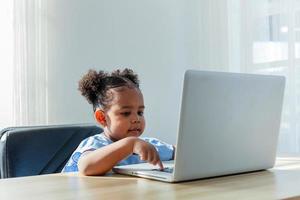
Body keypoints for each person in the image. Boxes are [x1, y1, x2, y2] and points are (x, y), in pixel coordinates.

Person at [62, 68, 175, 175]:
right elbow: (86, 167)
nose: (136, 119)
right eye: (126, 113)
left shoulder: (146, 146)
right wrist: (130, 144)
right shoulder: (95, 144)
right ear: (102, 118)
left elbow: (181, 152)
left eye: (140, 112)